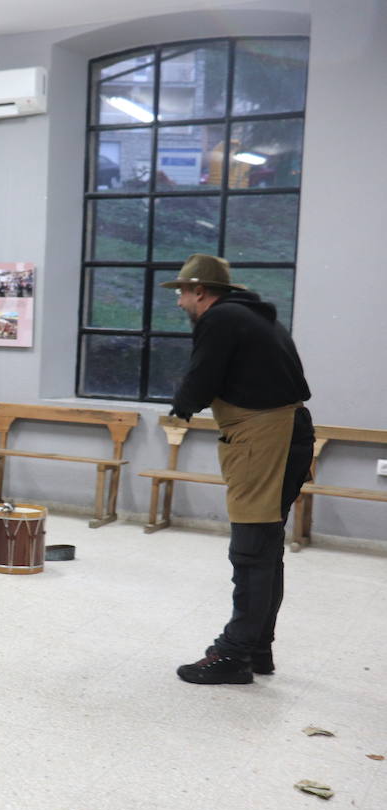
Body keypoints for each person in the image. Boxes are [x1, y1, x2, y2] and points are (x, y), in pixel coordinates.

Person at [165, 254, 315, 686]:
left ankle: (233, 655)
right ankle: (256, 647)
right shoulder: (250, 315)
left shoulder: (221, 318)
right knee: (265, 547)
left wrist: (183, 405)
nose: (179, 303)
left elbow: (203, 374)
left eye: (182, 294)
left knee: (250, 550)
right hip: (288, 430)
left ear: (199, 291)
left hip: (264, 435)